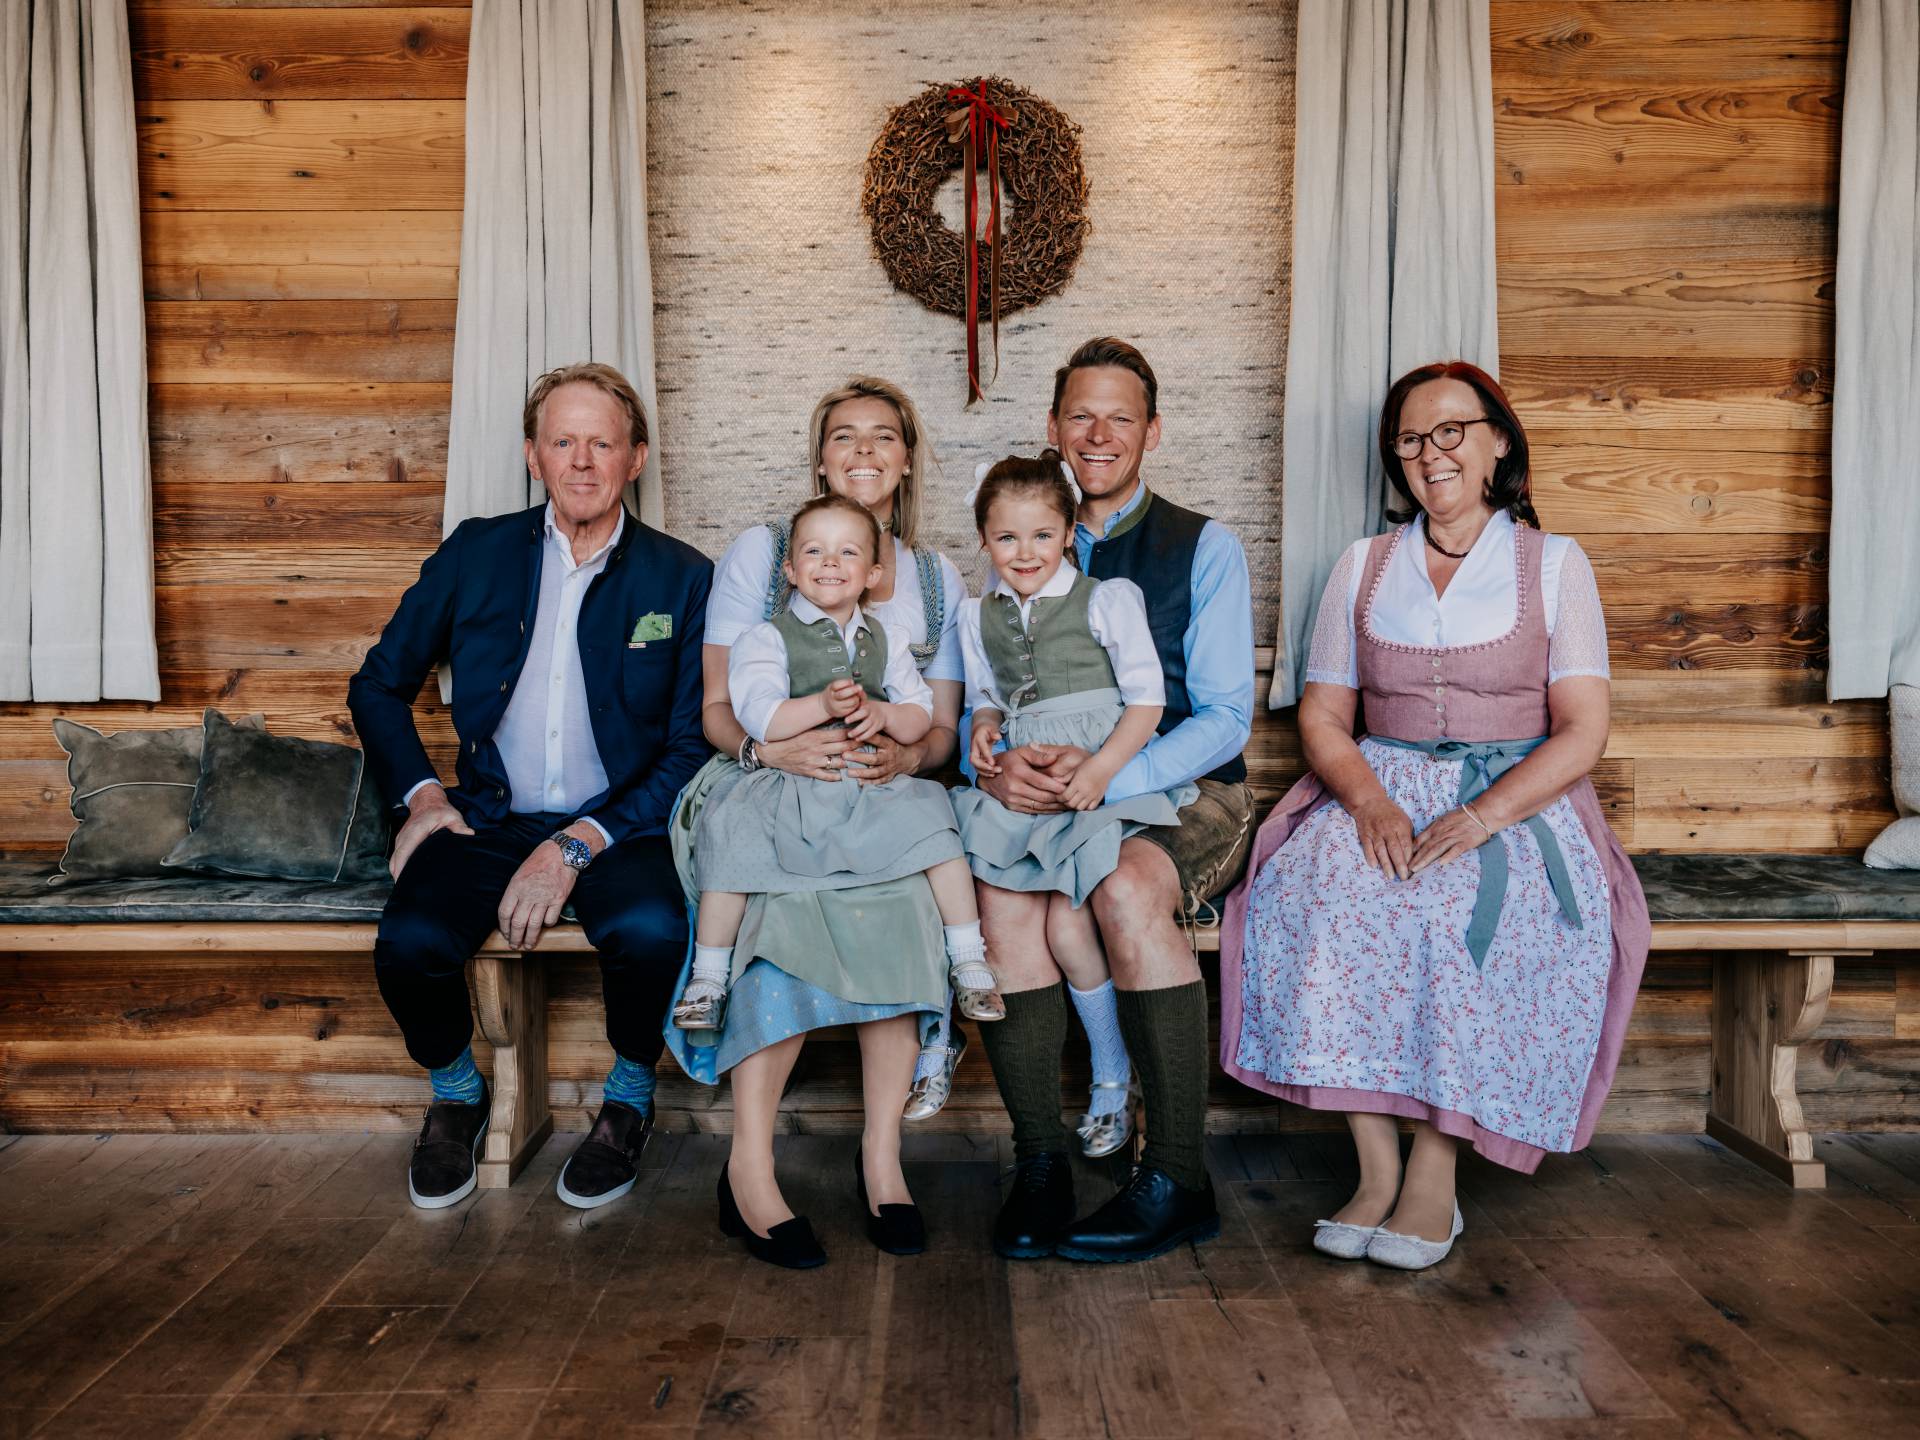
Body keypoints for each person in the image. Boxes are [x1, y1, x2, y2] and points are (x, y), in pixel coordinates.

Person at [1220, 360, 1650, 1270]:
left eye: (1452, 431)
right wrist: (1369, 801)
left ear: (1499, 440)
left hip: (1519, 802)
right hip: (1378, 785)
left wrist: (1486, 816)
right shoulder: (1362, 567)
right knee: (1325, 898)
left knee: (1454, 918)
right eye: (1412, 440)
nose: (1431, 453)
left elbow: (1582, 733)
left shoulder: (1555, 564)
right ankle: (1376, 1168)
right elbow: (1325, 717)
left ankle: (1435, 1178)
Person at [349, 362, 711, 1212]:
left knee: (655, 928)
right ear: (532, 455)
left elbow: (692, 745)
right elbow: (377, 686)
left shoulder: (683, 577)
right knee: (407, 943)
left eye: (602, 443)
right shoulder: (477, 552)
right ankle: (456, 1094)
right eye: (563, 441)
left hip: (620, 825)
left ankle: (628, 1099)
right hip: (487, 817)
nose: (582, 461)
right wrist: (423, 799)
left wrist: (578, 845)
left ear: (636, 459)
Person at [664, 378, 970, 1268]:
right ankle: (749, 1168)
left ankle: (883, 1158)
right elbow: (722, 710)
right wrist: (775, 755)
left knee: (907, 908)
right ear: (821, 455)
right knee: (780, 910)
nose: (865, 451)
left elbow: (938, 729)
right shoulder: (766, 555)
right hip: (768, 784)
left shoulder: (936, 578)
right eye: (845, 436)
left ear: (908, 458)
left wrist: (903, 758)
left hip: (877, 794)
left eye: (885, 436)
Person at [974, 338, 1256, 1263]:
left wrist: (1106, 778)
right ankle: (1042, 1162)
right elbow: (990, 695)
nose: (1099, 434)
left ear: (1153, 432)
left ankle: (1177, 1174)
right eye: (1081, 416)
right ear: (1052, 430)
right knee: (1003, 901)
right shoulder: (1019, 542)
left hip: (1180, 787)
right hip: (1050, 793)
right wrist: (995, 769)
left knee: (1127, 890)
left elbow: (1222, 717)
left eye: (1121, 417)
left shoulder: (1202, 546)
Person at [673, 493, 998, 1036]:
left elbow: (921, 712)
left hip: (868, 776)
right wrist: (821, 707)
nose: (830, 562)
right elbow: (759, 716)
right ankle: (708, 977)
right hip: (790, 776)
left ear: (872, 573)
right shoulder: (766, 637)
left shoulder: (887, 639)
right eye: (814, 551)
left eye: (847, 552)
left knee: (939, 825)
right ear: (791, 570)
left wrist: (883, 713)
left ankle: (968, 958)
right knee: (730, 832)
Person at [951, 451, 1191, 1158]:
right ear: (984, 540)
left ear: (1068, 535)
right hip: (1027, 784)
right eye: (1006, 538)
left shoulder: (1107, 599)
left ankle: (1112, 1082)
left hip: (1094, 770)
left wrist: (1106, 774)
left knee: (1068, 926)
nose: (1024, 553)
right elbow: (986, 699)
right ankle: (1076, 1098)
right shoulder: (977, 615)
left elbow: (1147, 700)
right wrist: (988, 735)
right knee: (1014, 917)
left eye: (1042, 536)